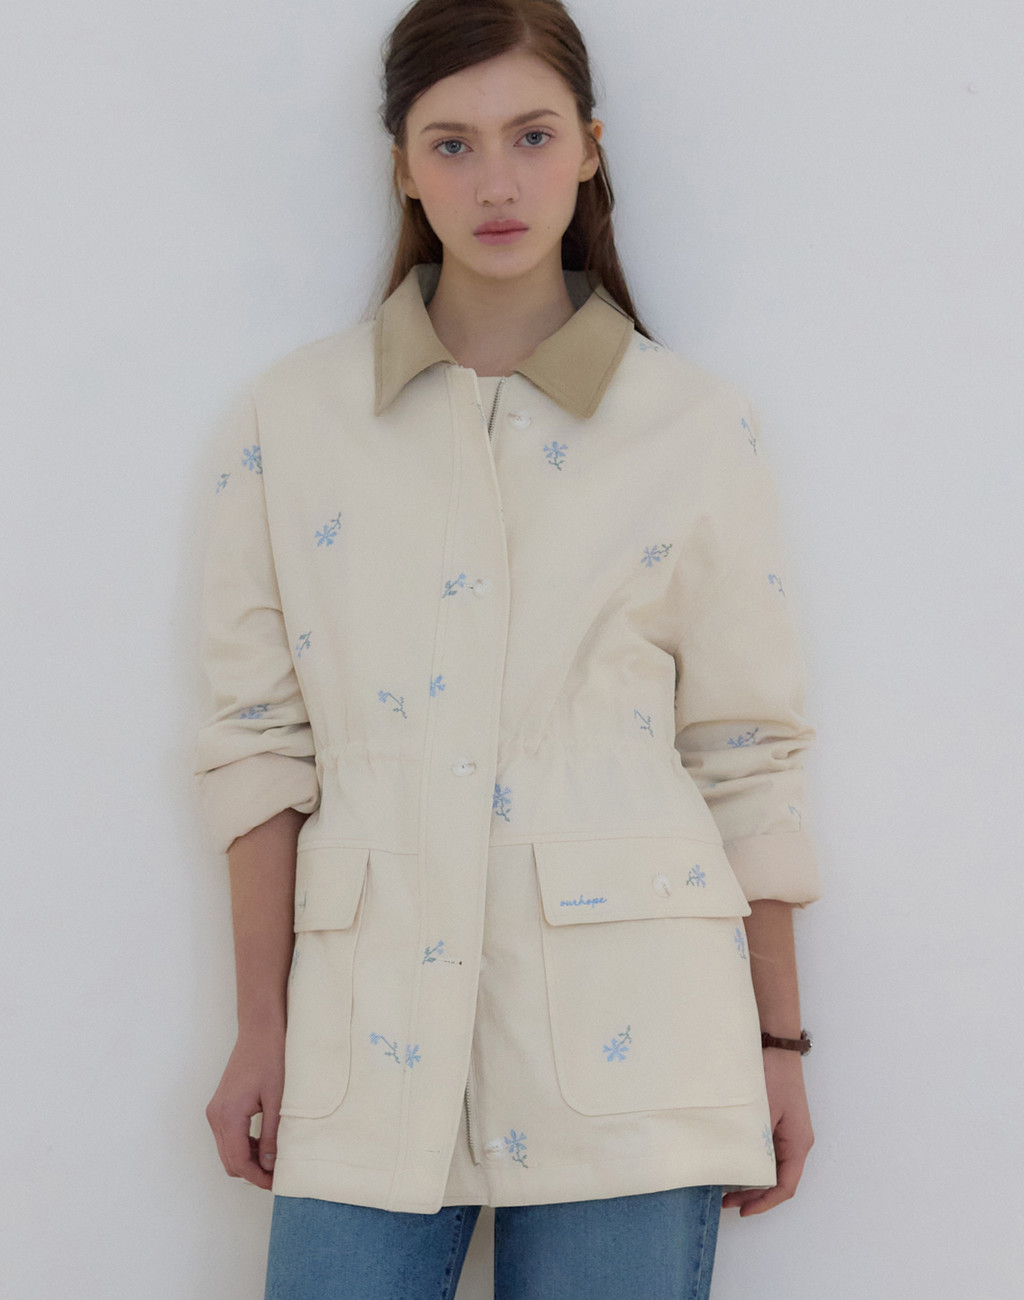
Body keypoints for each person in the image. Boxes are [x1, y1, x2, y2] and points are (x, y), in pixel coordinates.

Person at [193, 1, 823, 1296]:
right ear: (402, 166)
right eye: (453, 143)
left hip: (642, 1039)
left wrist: (779, 1044)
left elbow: (746, 751)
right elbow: (256, 746)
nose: (495, 183)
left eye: (532, 136)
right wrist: (261, 1023)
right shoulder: (292, 421)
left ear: (589, 149)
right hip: (362, 1041)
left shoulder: (693, 426)